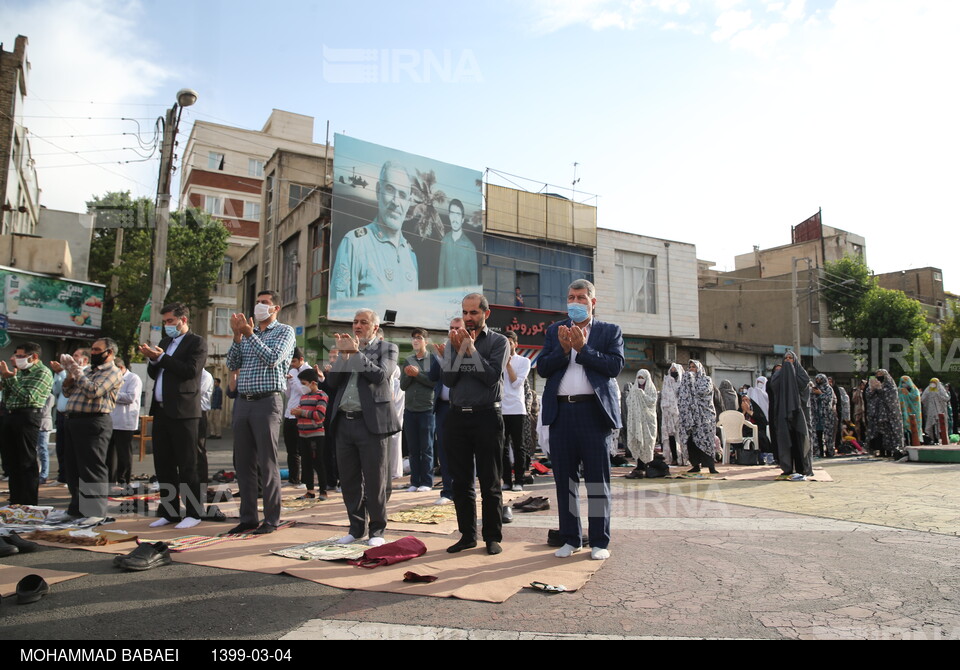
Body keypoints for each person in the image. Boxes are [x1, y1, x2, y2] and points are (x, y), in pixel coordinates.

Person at [538, 279, 624, 561]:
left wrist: (583, 349)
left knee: (597, 482)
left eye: (581, 298)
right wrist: (563, 350)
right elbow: (543, 368)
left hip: (593, 413)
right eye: (571, 297)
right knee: (565, 480)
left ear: (593, 302)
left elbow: (614, 366)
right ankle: (571, 538)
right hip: (562, 413)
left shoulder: (609, 331)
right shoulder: (555, 330)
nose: (575, 302)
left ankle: (599, 541)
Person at [442, 293, 510, 556]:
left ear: (485, 314)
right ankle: (467, 535)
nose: (469, 318)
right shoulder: (453, 341)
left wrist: (470, 350)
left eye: (473, 313)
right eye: (465, 313)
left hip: (487, 417)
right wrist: (459, 350)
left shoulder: (498, 342)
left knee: (490, 480)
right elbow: (448, 380)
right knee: (460, 481)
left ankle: (492, 537)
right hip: (457, 416)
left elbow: (491, 377)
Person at [326, 309, 400, 546]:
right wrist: (344, 357)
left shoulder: (388, 348)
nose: (357, 326)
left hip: (371, 424)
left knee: (375, 478)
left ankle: (377, 530)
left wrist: (355, 352)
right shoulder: (346, 351)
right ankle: (355, 528)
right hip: (344, 422)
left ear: (375, 328)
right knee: (348, 479)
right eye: (355, 322)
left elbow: (379, 376)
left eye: (363, 322)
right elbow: (332, 383)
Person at [226, 290, 296, 535]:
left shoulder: (284, 331)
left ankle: (271, 519)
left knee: (267, 463)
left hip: (267, 402)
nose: (259, 306)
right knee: (243, 463)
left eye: (265, 303)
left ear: (276, 308)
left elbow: (273, 358)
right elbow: (232, 364)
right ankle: (247, 518)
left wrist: (249, 335)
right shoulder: (247, 333)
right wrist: (237, 336)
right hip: (243, 402)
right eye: (257, 302)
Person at [140, 302, 208, 529]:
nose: (167, 326)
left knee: (188, 464)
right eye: (165, 322)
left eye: (170, 321)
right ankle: (169, 511)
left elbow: (189, 371)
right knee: (164, 464)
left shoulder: (196, 342)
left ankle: (194, 512)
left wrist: (161, 359)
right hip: (161, 410)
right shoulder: (164, 342)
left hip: (185, 412)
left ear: (183, 320)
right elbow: (154, 372)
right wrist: (152, 358)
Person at [59, 338, 124, 520]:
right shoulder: (88, 370)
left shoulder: (113, 372)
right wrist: (70, 375)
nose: (93, 352)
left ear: (109, 352)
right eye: (92, 349)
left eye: (97, 350)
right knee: (73, 468)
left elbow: (93, 391)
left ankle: (95, 512)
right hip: (73, 420)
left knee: (91, 468)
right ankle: (77, 509)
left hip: (94, 421)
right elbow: (67, 392)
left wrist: (77, 372)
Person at [332, 161, 418, 299]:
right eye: (390, 189)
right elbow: (340, 309)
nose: (396, 202)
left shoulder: (411, 255)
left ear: (409, 202)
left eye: (402, 194)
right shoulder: (354, 244)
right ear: (378, 190)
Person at [0, 342, 54, 505]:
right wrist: (7, 379)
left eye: (20, 356)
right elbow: (8, 398)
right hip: (11, 415)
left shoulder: (42, 372)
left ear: (34, 356)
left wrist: (11, 379)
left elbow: (29, 397)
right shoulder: (21, 373)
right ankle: (15, 501)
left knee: (26, 461)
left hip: (28, 417)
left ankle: (29, 503)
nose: (15, 359)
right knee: (12, 462)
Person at [427, 316, 464, 506]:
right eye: (451, 328)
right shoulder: (444, 349)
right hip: (442, 408)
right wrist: (440, 358)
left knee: (463, 451)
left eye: (457, 328)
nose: (453, 331)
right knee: (443, 449)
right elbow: (432, 376)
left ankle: (464, 489)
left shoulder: (468, 350)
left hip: (462, 407)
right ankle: (447, 491)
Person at [400, 328, 437, 493]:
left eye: (419, 338)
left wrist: (418, 374)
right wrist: (409, 375)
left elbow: (434, 383)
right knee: (413, 449)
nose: (416, 341)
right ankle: (414, 481)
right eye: (413, 338)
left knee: (426, 448)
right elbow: (402, 386)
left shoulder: (433, 359)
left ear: (426, 341)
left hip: (427, 409)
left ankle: (427, 482)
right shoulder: (408, 360)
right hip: (410, 409)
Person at [768, 350, 812, 479]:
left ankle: (802, 467)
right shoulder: (778, 376)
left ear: (795, 360)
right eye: (786, 358)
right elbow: (774, 387)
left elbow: (804, 388)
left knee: (801, 438)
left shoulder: (802, 375)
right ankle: (787, 468)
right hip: (783, 413)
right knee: (785, 439)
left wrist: (792, 378)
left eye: (790, 358)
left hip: (799, 414)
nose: (788, 361)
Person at [501, 330, 532, 492]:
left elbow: (516, 384)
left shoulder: (524, 361)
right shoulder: (497, 360)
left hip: (517, 409)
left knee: (519, 446)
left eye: (510, 342)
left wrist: (507, 365)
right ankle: (506, 480)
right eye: (505, 342)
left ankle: (519, 480)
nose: (507, 345)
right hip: (501, 409)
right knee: (502, 447)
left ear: (516, 344)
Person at [291, 368, 329, 500]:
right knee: (306, 463)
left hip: (316, 435)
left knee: (318, 462)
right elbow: (303, 411)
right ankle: (310, 490)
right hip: (303, 434)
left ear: (313, 383)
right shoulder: (304, 396)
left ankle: (323, 490)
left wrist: (301, 413)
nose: (302, 386)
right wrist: (296, 412)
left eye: (304, 383)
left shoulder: (321, 395)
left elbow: (320, 415)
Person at [678, 360, 719, 475]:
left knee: (706, 440)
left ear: (699, 368)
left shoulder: (706, 380)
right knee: (691, 440)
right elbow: (681, 395)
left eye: (694, 367)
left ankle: (711, 466)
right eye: (690, 367)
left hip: (705, 417)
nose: (691, 369)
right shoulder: (686, 382)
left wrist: (691, 385)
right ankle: (695, 465)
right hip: (691, 418)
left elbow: (703, 392)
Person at [107, 358, 142, 486]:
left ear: (121, 368)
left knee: (124, 453)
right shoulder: (111, 379)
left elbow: (130, 397)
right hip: (110, 420)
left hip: (125, 421)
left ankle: (123, 481)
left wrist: (111, 393)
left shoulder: (133, 379)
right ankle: (110, 481)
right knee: (110, 454)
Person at [283, 348, 312, 487]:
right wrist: (287, 383)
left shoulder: (308, 370)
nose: (292, 364)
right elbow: (289, 394)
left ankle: (306, 480)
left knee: (304, 449)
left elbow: (304, 391)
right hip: (290, 413)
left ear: (301, 359)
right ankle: (293, 479)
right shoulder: (292, 372)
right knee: (291, 449)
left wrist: (294, 380)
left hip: (302, 414)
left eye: (294, 361)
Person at [437, 199, 478, 288]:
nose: (455, 219)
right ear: (449, 216)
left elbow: (474, 282)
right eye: (452, 213)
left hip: (464, 299)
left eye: (458, 214)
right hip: (446, 299)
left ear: (462, 219)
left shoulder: (470, 247)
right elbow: (441, 274)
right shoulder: (445, 241)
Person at [625, 369, 658, 478]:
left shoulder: (651, 389)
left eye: (642, 377)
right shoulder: (634, 390)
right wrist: (636, 395)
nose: (640, 380)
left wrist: (642, 395)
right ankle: (639, 466)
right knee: (638, 442)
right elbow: (628, 401)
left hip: (648, 422)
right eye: (638, 377)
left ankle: (646, 465)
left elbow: (652, 402)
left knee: (647, 443)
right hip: (636, 421)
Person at [865, 369, 903, 458]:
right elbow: (868, 396)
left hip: (890, 415)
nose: (879, 377)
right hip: (877, 415)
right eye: (877, 375)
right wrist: (872, 389)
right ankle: (881, 451)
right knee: (879, 433)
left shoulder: (891, 387)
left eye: (881, 375)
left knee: (891, 433)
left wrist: (881, 390)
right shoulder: (873, 386)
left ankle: (893, 451)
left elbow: (891, 399)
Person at [659, 362, 685, 465]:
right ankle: (674, 457)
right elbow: (664, 397)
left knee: (682, 436)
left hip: (681, 414)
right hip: (669, 415)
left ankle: (683, 458)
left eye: (675, 371)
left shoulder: (683, 383)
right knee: (671, 437)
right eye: (672, 371)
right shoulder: (667, 383)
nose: (673, 372)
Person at [746, 376, 773, 459]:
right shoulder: (753, 393)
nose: (759, 385)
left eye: (761, 383)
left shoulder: (768, 394)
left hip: (766, 419)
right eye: (757, 382)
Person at [811, 374, 837, 458]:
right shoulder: (814, 389)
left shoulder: (828, 389)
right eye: (817, 379)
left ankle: (829, 452)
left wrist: (820, 393)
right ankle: (819, 452)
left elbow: (828, 400)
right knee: (817, 435)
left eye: (820, 379)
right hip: (816, 416)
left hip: (826, 416)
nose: (818, 380)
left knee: (828, 435)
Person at [921, 378, 951, 444]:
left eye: (934, 382)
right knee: (931, 425)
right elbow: (923, 399)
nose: (933, 384)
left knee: (940, 425)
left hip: (940, 411)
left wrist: (939, 396)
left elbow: (947, 398)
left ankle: (942, 439)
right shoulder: (928, 390)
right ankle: (934, 439)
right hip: (931, 411)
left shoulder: (941, 390)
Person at [898, 375, 922, 446]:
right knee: (905, 428)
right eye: (902, 382)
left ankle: (915, 442)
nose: (903, 384)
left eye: (905, 382)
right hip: (904, 412)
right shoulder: (900, 390)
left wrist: (907, 394)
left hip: (914, 412)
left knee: (914, 428)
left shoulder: (915, 390)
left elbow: (916, 400)